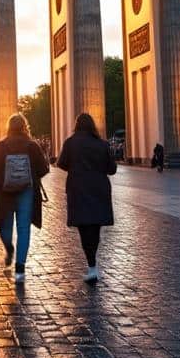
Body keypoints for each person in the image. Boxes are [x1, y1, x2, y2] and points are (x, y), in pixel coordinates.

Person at [0, 113, 51, 284]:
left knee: (5, 226)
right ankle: (20, 268)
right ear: (24, 127)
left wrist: (4, 178)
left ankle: (9, 248)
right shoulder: (32, 145)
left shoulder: (1, 145)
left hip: (5, 193)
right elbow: (44, 169)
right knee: (24, 228)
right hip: (26, 192)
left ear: (9, 127)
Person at [56, 113, 116, 283]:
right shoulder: (102, 144)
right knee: (95, 227)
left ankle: (91, 265)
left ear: (77, 125)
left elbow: (61, 163)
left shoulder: (70, 142)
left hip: (78, 188)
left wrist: (75, 168)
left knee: (84, 227)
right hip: (99, 189)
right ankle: (93, 264)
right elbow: (112, 169)